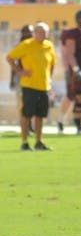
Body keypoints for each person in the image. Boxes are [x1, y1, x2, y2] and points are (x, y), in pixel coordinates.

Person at [6, 22, 56, 151]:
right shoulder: (27, 45)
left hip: (44, 86)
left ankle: (39, 141)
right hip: (29, 86)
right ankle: (24, 142)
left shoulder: (49, 46)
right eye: (39, 31)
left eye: (44, 32)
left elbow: (52, 63)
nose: (42, 34)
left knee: (40, 115)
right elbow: (10, 57)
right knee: (26, 114)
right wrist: (20, 71)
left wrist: (49, 78)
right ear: (35, 33)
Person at [9, 25, 34, 107]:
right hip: (20, 76)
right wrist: (12, 79)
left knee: (33, 101)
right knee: (21, 102)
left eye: (31, 32)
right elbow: (13, 62)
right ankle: (23, 119)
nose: (29, 34)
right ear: (22, 33)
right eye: (27, 31)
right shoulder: (19, 46)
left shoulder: (37, 46)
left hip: (34, 76)